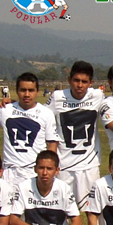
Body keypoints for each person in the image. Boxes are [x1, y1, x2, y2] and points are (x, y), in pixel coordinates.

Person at [45, 61, 104, 209]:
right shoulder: (57, 97)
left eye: (84, 81)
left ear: (91, 83)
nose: (80, 85)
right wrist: (13, 103)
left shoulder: (98, 96)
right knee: (61, 209)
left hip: (89, 165)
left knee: (92, 210)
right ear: (69, 80)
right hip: (64, 165)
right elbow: (39, 114)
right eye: (76, 80)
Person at [0, 72, 59, 185]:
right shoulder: (5, 111)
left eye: (31, 90)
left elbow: (52, 144)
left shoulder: (46, 113)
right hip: (10, 173)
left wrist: (49, 170)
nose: (27, 94)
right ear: (17, 91)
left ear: (37, 91)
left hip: (34, 172)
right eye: (23, 90)